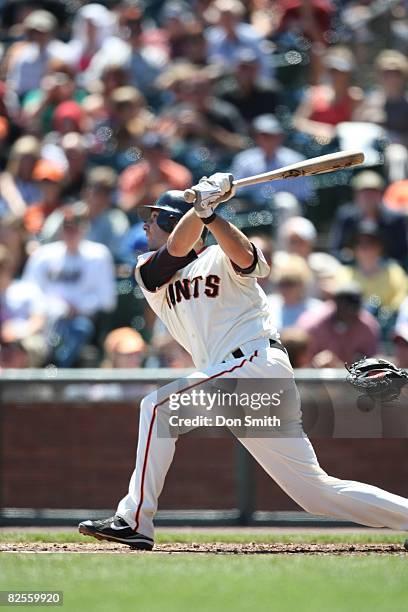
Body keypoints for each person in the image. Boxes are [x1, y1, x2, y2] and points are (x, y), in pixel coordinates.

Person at [79, 174, 408, 550]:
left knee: (157, 407)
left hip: (254, 363)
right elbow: (174, 251)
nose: (145, 223)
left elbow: (249, 259)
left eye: (153, 218)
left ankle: (134, 519)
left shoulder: (220, 249)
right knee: (314, 492)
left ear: (172, 219)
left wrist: (210, 214)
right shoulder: (147, 269)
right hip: (234, 380)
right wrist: (202, 208)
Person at [23, 204, 116, 367]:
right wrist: (48, 308)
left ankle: (58, 372)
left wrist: (78, 307)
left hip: (80, 319)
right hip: (45, 318)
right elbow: (28, 290)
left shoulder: (98, 255)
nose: (71, 232)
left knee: (80, 328)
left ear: (85, 229)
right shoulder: (44, 255)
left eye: (76, 227)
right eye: (67, 227)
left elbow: (107, 300)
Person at [330, 170, 408, 268]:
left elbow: (403, 253)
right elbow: (336, 250)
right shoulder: (346, 217)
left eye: (373, 193)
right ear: (356, 195)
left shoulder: (395, 219)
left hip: (389, 270)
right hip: (354, 269)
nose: (368, 197)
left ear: (380, 195)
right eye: (364, 193)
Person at [297, 283, 380, 367]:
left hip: (353, 377)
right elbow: (301, 363)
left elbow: (372, 362)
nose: (351, 313)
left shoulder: (368, 325)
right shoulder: (314, 324)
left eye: (355, 308)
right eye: (346, 308)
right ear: (336, 303)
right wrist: (314, 364)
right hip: (316, 376)